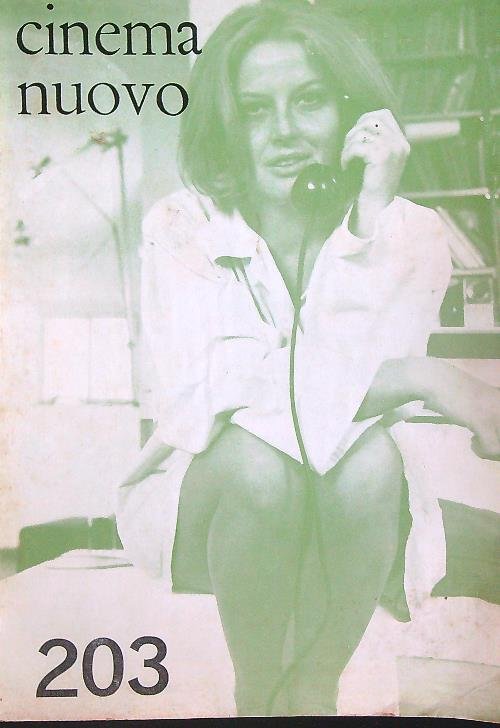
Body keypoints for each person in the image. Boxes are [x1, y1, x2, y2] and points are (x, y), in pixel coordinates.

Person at [117, 0, 500, 716]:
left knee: (367, 457)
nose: (284, 132)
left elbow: (348, 409)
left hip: (351, 500)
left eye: (310, 102)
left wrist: (367, 220)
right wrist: (424, 377)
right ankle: (259, 696)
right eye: (255, 110)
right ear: (226, 124)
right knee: (261, 464)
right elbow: (211, 395)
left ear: (355, 114)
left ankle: (317, 686)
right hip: (215, 495)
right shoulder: (181, 224)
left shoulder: (410, 232)